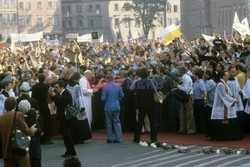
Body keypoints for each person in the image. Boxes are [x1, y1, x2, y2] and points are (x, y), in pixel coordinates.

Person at [0, 97, 37, 167]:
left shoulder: (1, 118)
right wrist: (32, 130)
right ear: (15, 106)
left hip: (6, 150)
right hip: (19, 147)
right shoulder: (18, 114)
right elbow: (25, 130)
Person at [210, 71, 243, 141]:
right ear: (223, 76)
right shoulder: (220, 85)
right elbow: (224, 96)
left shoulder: (224, 83)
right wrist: (234, 100)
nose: (228, 76)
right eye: (227, 75)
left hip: (224, 105)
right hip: (220, 106)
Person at [51, 80, 76, 158]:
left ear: (62, 87)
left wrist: (54, 95)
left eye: (57, 87)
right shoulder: (62, 93)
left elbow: (59, 101)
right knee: (65, 135)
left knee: (67, 135)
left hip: (66, 118)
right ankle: (69, 151)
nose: (55, 89)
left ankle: (71, 152)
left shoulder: (66, 93)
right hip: (63, 117)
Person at [133, 68, 157, 143]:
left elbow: (137, 95)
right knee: (152, 121)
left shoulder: (138, 83)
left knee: (140, 122)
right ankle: (154, 138)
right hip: (151, 104)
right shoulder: (151, 82)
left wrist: (136, 106)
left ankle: (137, 138)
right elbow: (154, 92)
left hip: (142, 104)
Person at [66, 72, 91, 144]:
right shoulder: (77, 87)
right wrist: (82, 108)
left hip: (71, 106)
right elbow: (79, 98)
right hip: (77, 107)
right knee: (80, 122)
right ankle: (80, 138)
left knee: (73, 122)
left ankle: (73, 137)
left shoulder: (68, 85)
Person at [18, 100, 42, 167]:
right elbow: (39, 131)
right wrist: (36, 120)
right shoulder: (32, 118)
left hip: (21, 147)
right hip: (34, 147)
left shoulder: (18, 118)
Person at [101, 74, 124, 143]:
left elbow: (103, 98)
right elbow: (122, 95)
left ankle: (110, 138)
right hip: (116, 106)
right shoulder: (118, 85)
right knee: (117, 122)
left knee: (109, 123)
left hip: (108, 107)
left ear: (107, 79)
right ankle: (119, 138)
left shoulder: (105, 87)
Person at [32, 74, 52, 144]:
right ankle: (48, 138)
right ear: (44, 79)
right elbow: (49, 95)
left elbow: (33, 97)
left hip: (37, 105)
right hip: (44, 105)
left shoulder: (34, 87)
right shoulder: (46, 86)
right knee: (47, 121)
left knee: (39, 121)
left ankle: (40, 138)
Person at [177, 66, 196, 134]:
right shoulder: (184, 78)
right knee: (182, 113)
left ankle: (191, 129)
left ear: (181, 71)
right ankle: (183, 129)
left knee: (189, 113)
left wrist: (178, 86)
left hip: (188, 96)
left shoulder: (187, 78)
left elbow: (186, 89)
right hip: (183, 97)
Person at [193, 69, 207, 133]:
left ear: (197, 76)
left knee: (200, 115)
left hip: (200, 100)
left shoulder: (201, 82)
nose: (193, 76)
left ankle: (202, 129)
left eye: (194, 74)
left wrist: (204, 99)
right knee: (196, 115)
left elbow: (204, 91)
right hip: (195, 100)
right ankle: (198, 128)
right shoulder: (195, 82)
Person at [204, 69, 216, 137]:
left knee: (210, 119)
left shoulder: (211, 82)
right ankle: (209, 132)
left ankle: (211, 133)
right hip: (209, 103)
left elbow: (205, 89)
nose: (203, 75)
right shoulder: (207, 81)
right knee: (208, 118)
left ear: (208, 75)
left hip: (212, 103)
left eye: (205, 73)